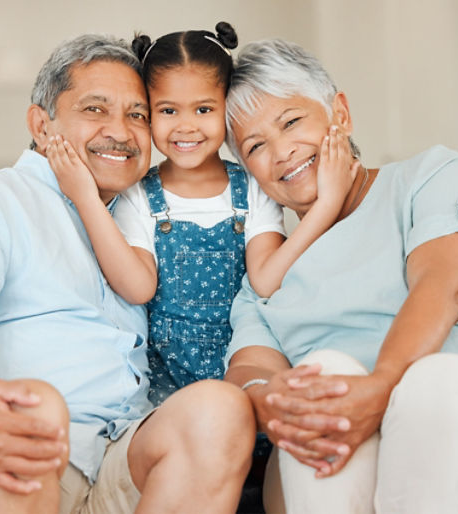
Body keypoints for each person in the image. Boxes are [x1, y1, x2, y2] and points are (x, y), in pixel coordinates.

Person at [0, 34, 255, 514]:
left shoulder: (134, 223)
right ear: (40, 125)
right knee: (32, 410)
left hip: (112, 454)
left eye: (138, 115)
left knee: (220, 409)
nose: (122, 132)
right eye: (95, 109)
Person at [222, 38, 458, 513]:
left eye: (292, 122)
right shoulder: (263, 280)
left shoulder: (429, 176)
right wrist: (274, 400)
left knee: (435, 381)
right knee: (324, 378)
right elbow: (250, 372)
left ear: (339, 113)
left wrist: (382, 386)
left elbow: (443, 285)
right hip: (349, 475)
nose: (281, 152)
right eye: (256, 146)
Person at [46, 22, 355, 407]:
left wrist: (326, 206)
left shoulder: (252, 190)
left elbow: (266, 279)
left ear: (226, 107)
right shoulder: (139, 195)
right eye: (168, 110)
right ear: (149, 113)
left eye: (204, 109)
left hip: (244, 372)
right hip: (166, 388)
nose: (186, 126)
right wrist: (87, 198)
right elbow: (138, 286)